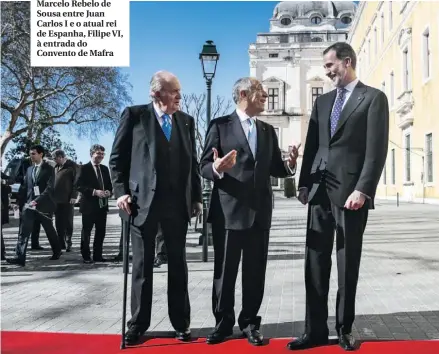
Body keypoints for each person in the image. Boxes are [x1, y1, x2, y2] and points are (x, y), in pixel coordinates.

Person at [288, 42, 389, 351]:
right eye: (325, 66)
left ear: (347, 62)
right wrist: (304, 183)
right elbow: (314, 144)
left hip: (351, 195)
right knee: (315, 263)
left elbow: (376, 149)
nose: (327, 71)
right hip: (319, 192)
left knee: (347, 264)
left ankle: (344, 329)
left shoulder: (373, 98)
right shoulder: (323, 102)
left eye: (330, 65)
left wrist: (364, 189)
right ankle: (314, 331)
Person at [199, 77, 299, 346]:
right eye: (259, 91)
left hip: (260, 213)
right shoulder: (220, 126)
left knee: (255, 272)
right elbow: (204, 166)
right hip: (229, 212)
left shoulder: (267, 130)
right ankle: (222, 324)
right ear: (243, 94)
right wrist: (217, 167)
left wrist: (290, 164)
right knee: (225, 271)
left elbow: (276, 168)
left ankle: (250, 323)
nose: (265, 94)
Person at [109, 70, 203, 345]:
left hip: (177, 206)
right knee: (142, 267)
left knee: (178, 267)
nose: (179, 97)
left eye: (179, 91)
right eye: (173, 91)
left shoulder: (186, 121)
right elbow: (117, 159)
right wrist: (120, 193)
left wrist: (196, 198)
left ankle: (181, 324)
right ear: (155, 93)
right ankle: (138, 324)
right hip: (141, 205)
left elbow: (192, 164)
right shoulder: (135, 115)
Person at [6, 145, 62, 266]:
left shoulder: (49, 169)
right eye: (30, 153)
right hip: (29, 205)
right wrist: (16, 202)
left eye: (33, 153)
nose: (31, 156)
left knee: (49, 229)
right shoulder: (29, 169)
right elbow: (25, 187)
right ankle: (20, 258)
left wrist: (37, 200)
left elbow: (49, 188)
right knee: (23, 232)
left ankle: (57, 250)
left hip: (44, 205)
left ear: (41, 154)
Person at [76, 144, 112, 263]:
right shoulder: (83, 168)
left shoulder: (105, 169)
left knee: (101, 232)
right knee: (86, 232)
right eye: (98, 153)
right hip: (89, 206)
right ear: (92, 154)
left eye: (102, 154)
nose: (101, 156)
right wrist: (94, 192)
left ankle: (98, 255)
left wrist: (108, 192)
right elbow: (78, 186)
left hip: (102, 206)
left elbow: (109, 185)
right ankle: (86, 255)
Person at [52, 149, 79, 252]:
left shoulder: (72, 166)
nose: (54, 160)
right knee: (58, 222)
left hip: (68, 199)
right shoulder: (56, 167)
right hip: (56, 199)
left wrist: (74, 196)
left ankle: (68, 242)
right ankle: (61, 243)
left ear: (61, 157)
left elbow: (76, 182)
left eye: (55, 158)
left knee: (68, 221)